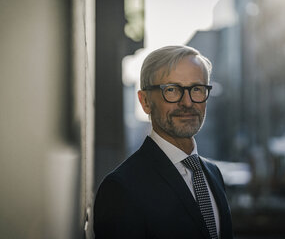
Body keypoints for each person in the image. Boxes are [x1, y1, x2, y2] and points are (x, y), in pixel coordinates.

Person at [94, 45, 233, 239]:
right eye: (172, 90)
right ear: (145, 102)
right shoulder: (121, 188)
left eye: (197, 89)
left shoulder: (213, 173)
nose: (187, 102)